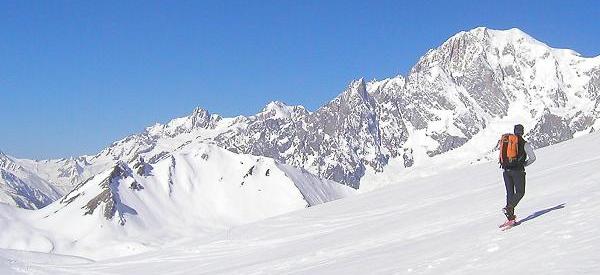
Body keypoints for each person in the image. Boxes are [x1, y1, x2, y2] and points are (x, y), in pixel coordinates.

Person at [501, 124, 536, 224]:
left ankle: (510, 217)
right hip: (518, 171)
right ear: (522, 132)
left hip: (506, 171)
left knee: (510, 193)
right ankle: (509, 208)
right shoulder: (524, 144)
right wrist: (524, 164)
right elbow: (533, 158)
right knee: (520, 192)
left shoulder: (508, 141)